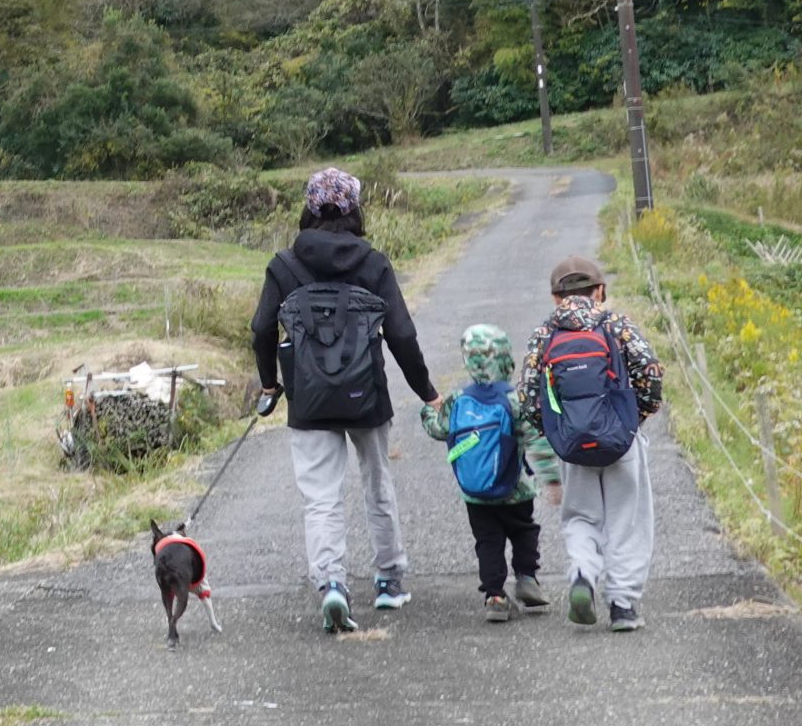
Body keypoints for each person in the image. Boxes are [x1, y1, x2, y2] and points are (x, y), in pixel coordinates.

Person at [252, 166, 443, 633]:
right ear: (355, 209)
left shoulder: (284, 265)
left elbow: (261, 330)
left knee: (321, 498)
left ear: (309, 209)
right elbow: (401, 333)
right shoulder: (373, 262)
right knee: (377, 485)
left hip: (309, 400)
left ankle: (332, 585)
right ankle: (389, 582)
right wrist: (428, 392)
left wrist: (269, 385)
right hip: (367, 395)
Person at [515, 254, 665, 632]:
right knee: (627, 519)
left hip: (573, 446)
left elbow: (529, 396)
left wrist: (559, 434)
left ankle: (583, 574)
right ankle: (623, 606)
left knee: (581, 516)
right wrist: (634, 419)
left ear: (555, 296)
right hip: (621, 439)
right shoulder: (615, 324)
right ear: (599, 291)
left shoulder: (545, 334)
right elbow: (650, 374)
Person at [419, 324, 557, 621]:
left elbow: (439, 430)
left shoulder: (458, 401)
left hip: (475, 494)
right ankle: (527, 578)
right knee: (524, 531)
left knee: (488, 542)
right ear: (506, 359)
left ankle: (494, 595)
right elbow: (537, 439)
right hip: (516, 488)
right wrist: (552, 478)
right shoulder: (515, 399)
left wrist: (428, 412)